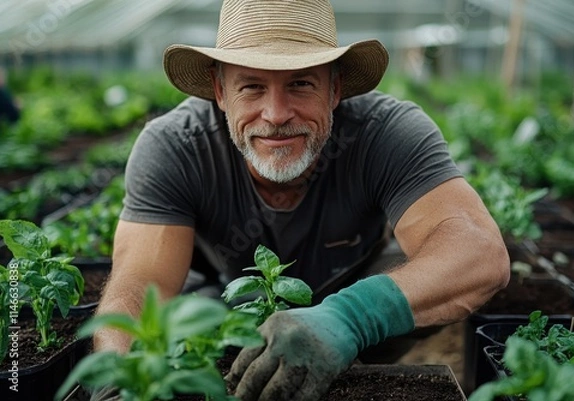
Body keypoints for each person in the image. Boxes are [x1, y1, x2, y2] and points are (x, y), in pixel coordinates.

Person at [93, 0, 510, 400]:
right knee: (190, 313)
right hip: (227, 303)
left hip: (354, 292)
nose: (276, 114)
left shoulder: (386, 132)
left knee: (416, 272)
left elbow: (479, 252)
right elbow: (139, 284)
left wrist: (351, 318)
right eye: (251, 87)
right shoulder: (176, 146)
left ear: (335, 89)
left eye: (301, 84)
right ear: (220, 92)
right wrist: (121, 375)